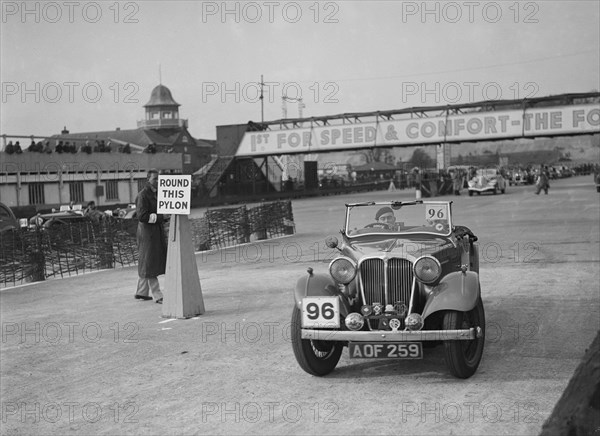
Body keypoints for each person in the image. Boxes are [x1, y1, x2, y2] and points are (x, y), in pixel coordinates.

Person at [135, 169, 167, 303]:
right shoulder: (143, 195)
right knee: (150, 262)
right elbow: (141, 216)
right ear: (148, 179)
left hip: (155, 232)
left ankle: (141, 292)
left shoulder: (158, 193)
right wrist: (161, 217)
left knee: (146, 261)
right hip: (147, 234)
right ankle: (157, 295)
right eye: (155, 179)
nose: (158, 181)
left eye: (159, 179)